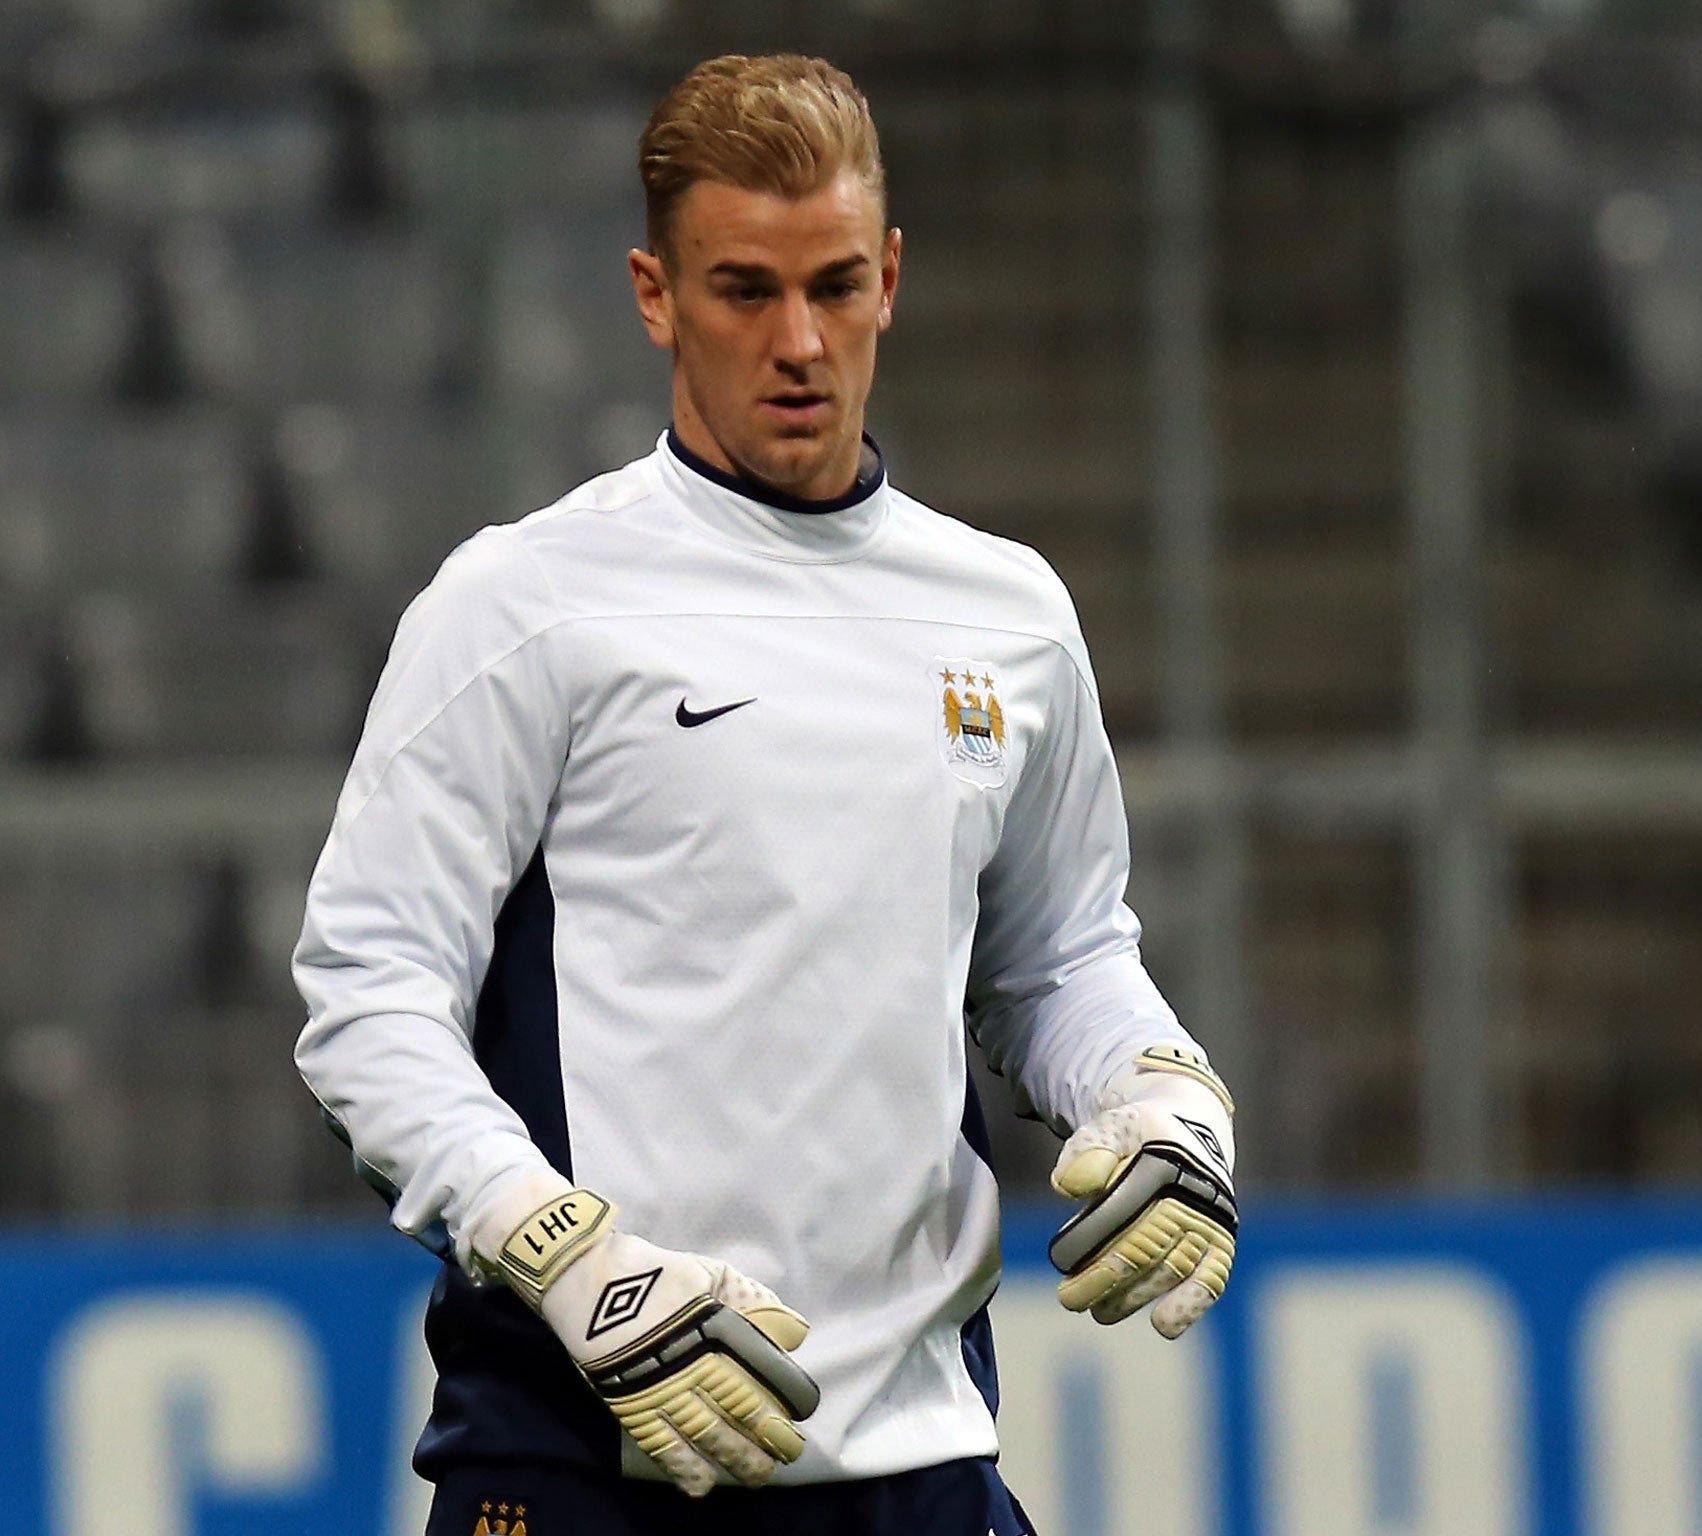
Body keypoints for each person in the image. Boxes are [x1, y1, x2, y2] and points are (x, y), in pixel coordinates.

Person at [293, 52, 1239, 1535]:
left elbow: (1060, 961)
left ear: (892, 278)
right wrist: (567, 1261)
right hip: (584, 1462)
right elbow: (367, 996)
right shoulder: (526, 602)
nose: (799, 341)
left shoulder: (1008, 613)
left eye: (837, 285)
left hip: (921, 1460)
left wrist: (1161, 1096)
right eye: (744, 290)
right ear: (655, 293)